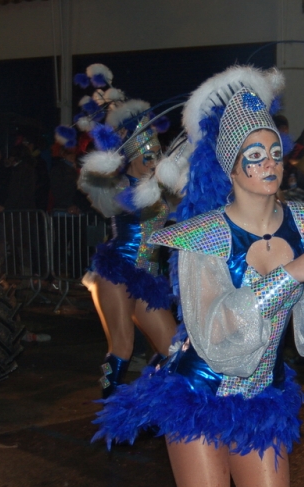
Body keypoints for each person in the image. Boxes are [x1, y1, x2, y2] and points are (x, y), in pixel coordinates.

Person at [92, 66, 304, 487]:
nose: (270, 164)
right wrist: (288, 276)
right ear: (230, 166)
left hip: (263, 396)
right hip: (197, 393)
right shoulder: (205, 238)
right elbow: (215, 332)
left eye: (275, 153)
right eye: (254, 155)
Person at [78, 96, 176, 398]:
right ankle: (111, 410)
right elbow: (93, 180)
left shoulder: (163, 193)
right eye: (147, 156)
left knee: (174, 349)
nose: (154, 160)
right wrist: (108, 153)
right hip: (117, 271)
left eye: (157, 154)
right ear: (131, 158)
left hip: (146, 279)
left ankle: (145, 399)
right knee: (123, 345)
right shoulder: (117, 188)